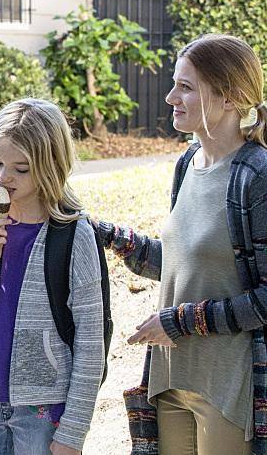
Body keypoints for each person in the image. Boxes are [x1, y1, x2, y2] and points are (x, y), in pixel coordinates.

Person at [96, 34, 267, 454]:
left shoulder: (256, 176)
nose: (171, 97)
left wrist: (179, 321)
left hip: (227, 386)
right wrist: (112, 237)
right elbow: (183, 261)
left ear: (229, 98)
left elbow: (265, 300)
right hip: (170, 378)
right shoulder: (187, 163)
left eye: (186, 87)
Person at [0, 98, 105, 455]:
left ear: (51, 166)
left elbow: (91, 344)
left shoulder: (74, 235)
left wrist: (73, 433)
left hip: (42, 410)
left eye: (21, 168)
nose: (3, 177)